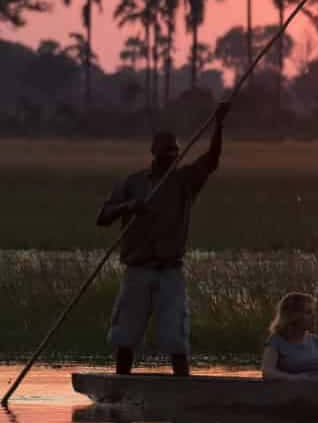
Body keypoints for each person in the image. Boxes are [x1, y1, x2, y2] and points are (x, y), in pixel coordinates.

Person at [97, 101, 230, 376]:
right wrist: (129, 207)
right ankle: (122, 384)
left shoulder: (185, 181)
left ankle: (182, 389)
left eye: (174, 153)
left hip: (170, 270)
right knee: (126, 333)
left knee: (175, 334)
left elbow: (212, 159)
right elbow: (103, 216)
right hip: (138, 269)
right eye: (166, 153)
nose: (171, 157)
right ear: (153, 153)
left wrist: (218, 124)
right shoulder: (133, 183)